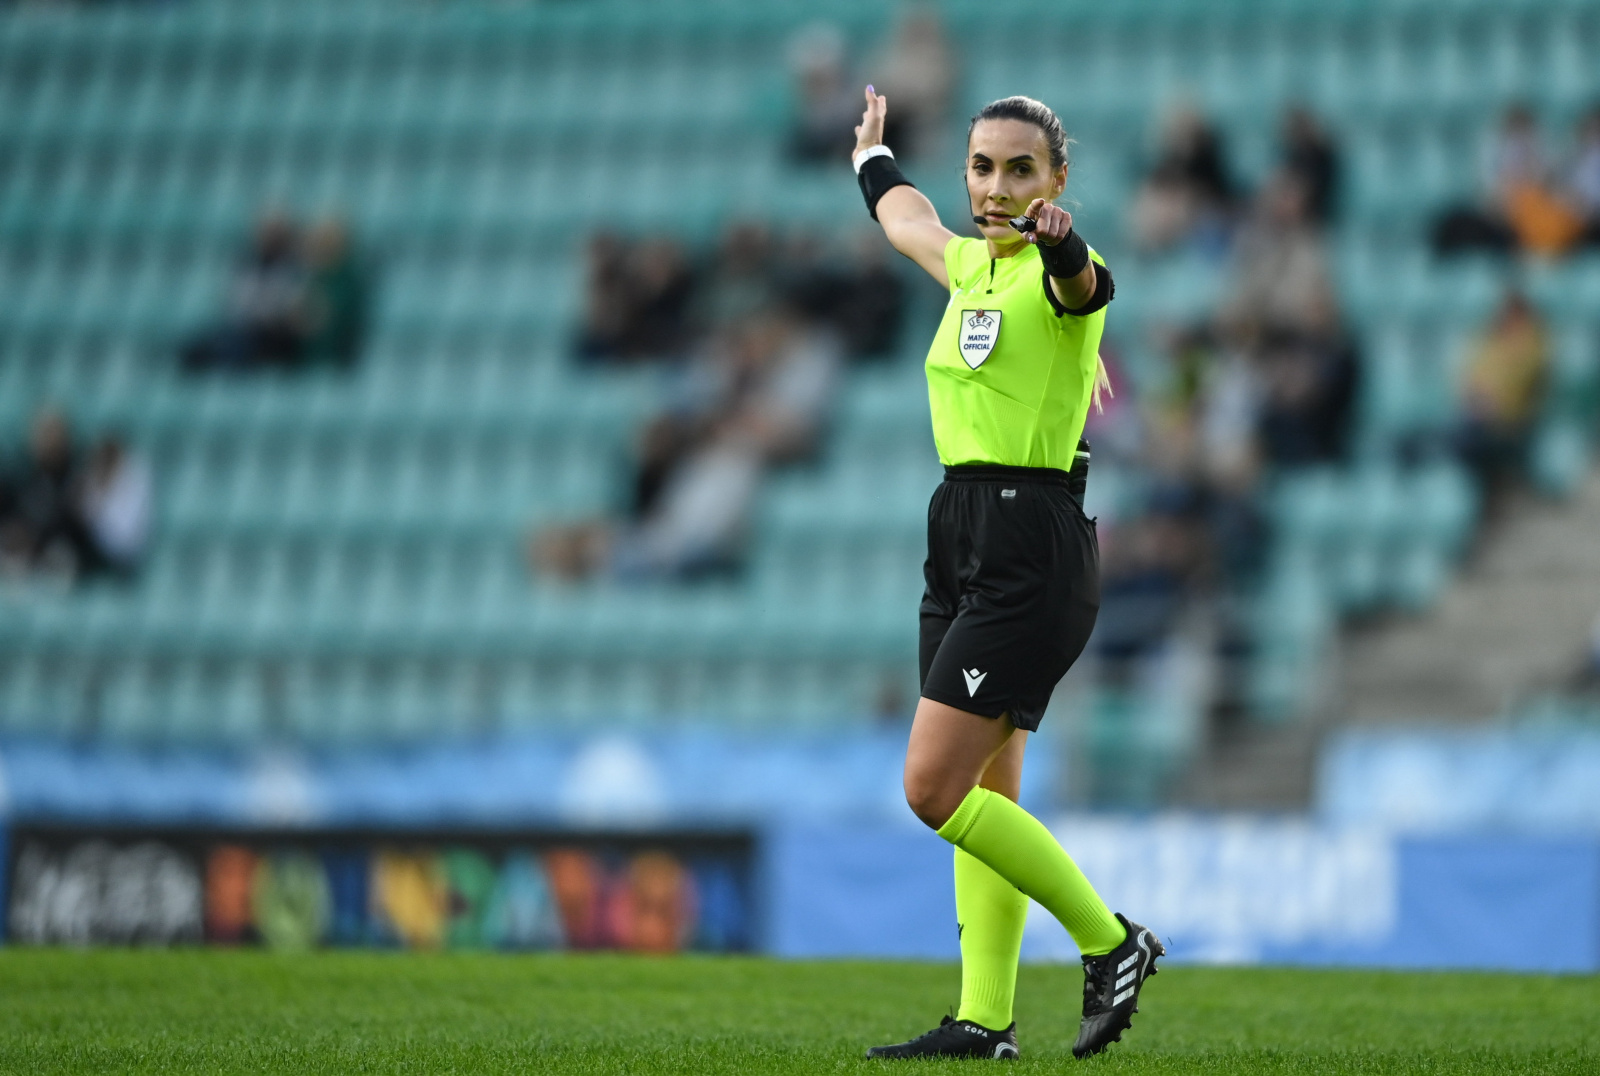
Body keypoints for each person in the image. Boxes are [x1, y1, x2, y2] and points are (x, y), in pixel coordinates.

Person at [851, 88, 1161, 1061]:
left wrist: (1062, 242)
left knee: (933, 788)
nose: (996, 186)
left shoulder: (1069, 269)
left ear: (1056, 180)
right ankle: (984, 1018)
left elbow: (1080, 286)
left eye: (1019, 168)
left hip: (1030, 541)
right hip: (960, 533)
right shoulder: (968, 265)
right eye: (982, 167)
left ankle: (1112, 940)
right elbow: (906, 218)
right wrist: (873, 159)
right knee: (988, 795)